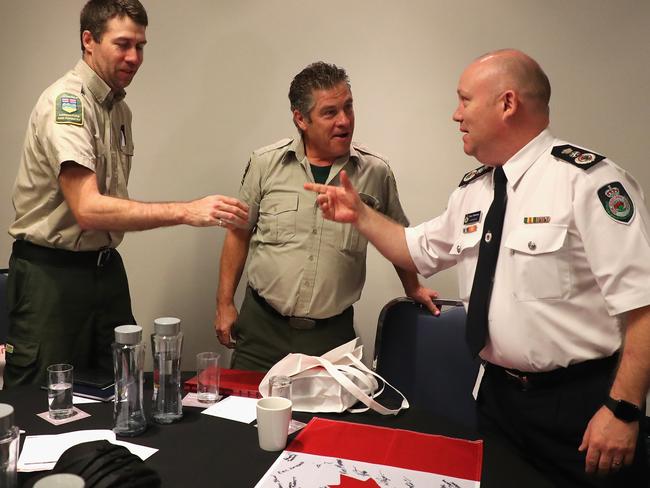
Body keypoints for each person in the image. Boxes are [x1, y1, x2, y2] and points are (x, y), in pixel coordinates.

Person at [306, 49, 650, 487]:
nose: (456, 114)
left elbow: (644, 308)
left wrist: (623, 410)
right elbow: (415, 250)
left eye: (465, 100)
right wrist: (360, 214)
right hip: (498, 403)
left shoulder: (589, 182)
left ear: (507, 104)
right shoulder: (475, 191)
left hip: (581, 409)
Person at [6, 0, 249, 388]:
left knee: (122, 391)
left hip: (104, 271)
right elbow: (87, 209)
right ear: (89, 40)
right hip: (52, 276)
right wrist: (187, 211)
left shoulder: (119, 112)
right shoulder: (66, 104)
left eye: (141, 46)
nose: (134, 57)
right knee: (45, 403)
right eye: (122, 44)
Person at [214, 61, 438, 371]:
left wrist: (412, 287)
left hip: (331, 340)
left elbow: (396, 237)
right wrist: (224, 303)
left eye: (348, 107)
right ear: (301, 119)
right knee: (244, 416)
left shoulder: (375, 173)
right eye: (330, 112)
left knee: (322, 420)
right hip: (261, 331)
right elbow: (238, 233)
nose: (344, 121)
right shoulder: (266, 164)